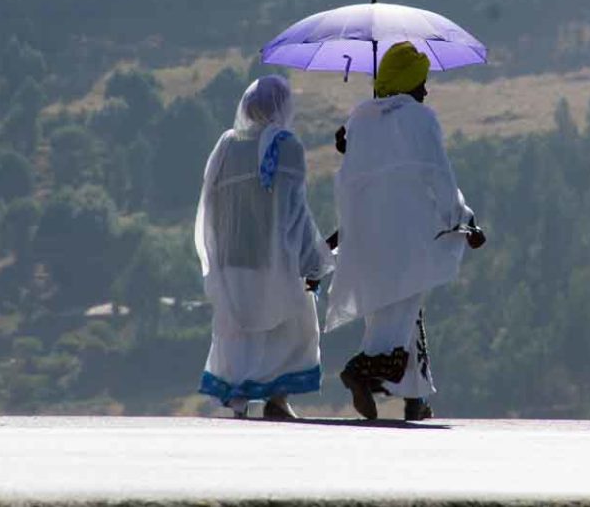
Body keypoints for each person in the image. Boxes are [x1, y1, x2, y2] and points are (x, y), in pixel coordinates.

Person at [326, 41, 485, 421]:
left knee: (395, 310)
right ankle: (363, 370)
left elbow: (353, 180)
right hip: (408, 234)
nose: (425, 91)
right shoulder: (421, 118)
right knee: (400, 311)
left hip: (366, 236)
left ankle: (416, 398)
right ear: (409, 83)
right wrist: (463, 219)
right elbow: (438, 173)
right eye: (421, 82)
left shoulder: (360, 118)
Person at [194, 75, 334, 419]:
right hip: (273, 260)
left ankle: (238, 395)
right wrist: (312, 261)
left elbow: (211, 206)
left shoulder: (226, 146)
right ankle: (277, 399)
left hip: (233, 259)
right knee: (291, 327)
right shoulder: (286, 145)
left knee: (239, 327)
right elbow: (294, 211)